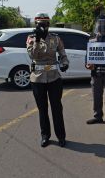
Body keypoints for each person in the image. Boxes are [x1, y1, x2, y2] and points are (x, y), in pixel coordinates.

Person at [26, 13, 69, 148]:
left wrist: (65, 62)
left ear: (49, 25)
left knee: (57, 108)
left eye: (45, 23)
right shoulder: (31, 38)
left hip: (54, 78)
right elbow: (33, 55)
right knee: (42, 109)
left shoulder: (56, 39)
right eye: (40, 23)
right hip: (37, 79)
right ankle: (45, 136)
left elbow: (63, 53)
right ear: (36, 24)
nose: (43, 26)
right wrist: (38, 40)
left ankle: (61, 137)